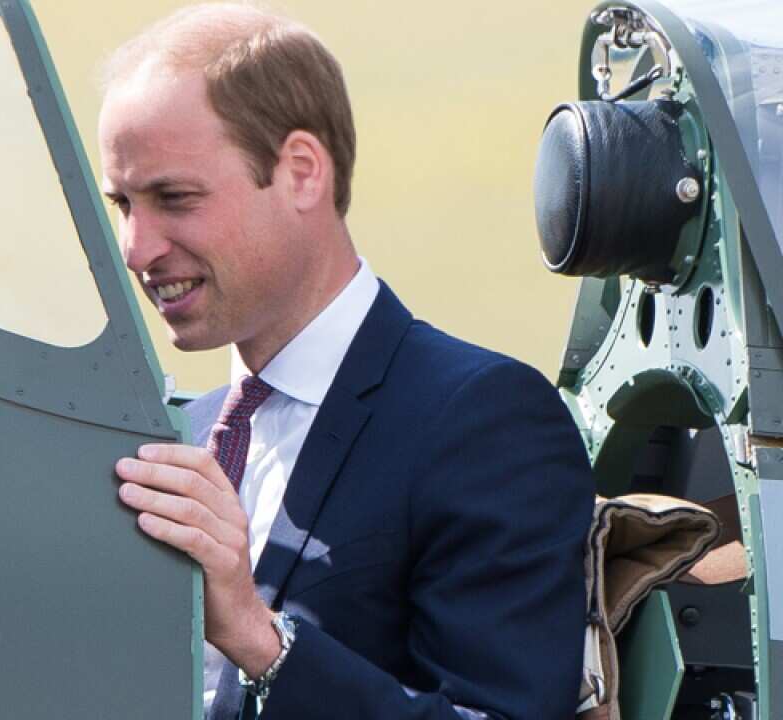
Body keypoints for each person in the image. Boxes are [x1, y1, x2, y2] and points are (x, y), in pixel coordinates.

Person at [101, 4, 595, 719]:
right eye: (121, 204)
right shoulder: (183, 436)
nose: (136, 248)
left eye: (174, 197)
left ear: (302, 172)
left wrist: (256, 637)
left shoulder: (482, 420)